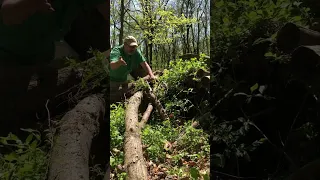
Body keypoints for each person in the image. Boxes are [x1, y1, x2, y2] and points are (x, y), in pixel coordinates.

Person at [0, 0, 109, 137]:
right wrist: (31, 4)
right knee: (10, 115)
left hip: (42, 53)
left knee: (42, 98)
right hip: (9, 54)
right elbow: (7, 13)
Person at [109, 36, 156, 103]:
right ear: (125, 44)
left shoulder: (136, 52)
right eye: (131, 46)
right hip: (113, 79)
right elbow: (112, 66)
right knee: (111, 98)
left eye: (134, 47)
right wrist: (118, 63)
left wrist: (151, 75)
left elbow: (145, 64)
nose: (133, 49)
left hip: (124, 78)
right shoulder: (117, 51)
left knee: (124, 96)